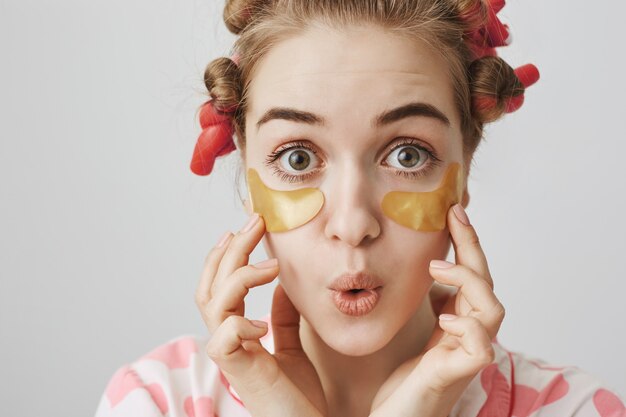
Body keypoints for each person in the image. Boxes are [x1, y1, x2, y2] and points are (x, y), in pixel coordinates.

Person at [94, 1, 625, 416]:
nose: (352, 225)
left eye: (407, 155)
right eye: (297, 157)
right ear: (248, 175)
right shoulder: (155, 401)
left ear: (464, 171)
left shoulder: (576, 410)